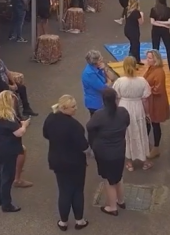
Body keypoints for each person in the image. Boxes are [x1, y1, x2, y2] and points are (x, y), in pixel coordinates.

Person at [43, 95, 91, 231]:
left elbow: (45, 134)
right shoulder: (74, 126)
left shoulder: (50, 118)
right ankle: (79, 220)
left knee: (64, 191)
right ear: (64, 108)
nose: (76, 109)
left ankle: (63, 222)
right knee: (77, 191)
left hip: (57, 160)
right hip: (75, 163)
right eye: (73, 107)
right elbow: (84, 146)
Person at [87, 88, 129, 216]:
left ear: (103, 100)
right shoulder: (123, 112)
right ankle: (121, 200)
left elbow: (89, 127)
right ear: (116, 98)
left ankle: (112, 207)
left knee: (108, 179)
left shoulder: (99, 115)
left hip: (104, 152)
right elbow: (127, 123)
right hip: (120, 149)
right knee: (118, 176)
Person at [0, 90, 31, 212]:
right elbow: (19, 133)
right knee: (8, 177)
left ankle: (0, 198)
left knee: (0, 174)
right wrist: (25, 125)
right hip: (8, 150)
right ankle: (7, 204)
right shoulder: (8, 119)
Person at [112, 56, 152, 171]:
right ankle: (144, 161)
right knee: (140, 132)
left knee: (126, 134)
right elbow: (145, 99)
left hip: (124, 107)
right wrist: (147, 113)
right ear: (136, 66)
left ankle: (129, 162)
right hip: (137, 107)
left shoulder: (119, 81)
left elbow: (115, 97)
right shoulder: (142, 81)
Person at [0, 51, 38, 117]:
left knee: (22, 88)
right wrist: (10, 87)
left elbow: (7, 72)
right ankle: (17, 116)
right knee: (13, 97)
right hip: (1, 86)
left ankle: (26, 109)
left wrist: (14, 83)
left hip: (7, 82)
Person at [143, 50, 170, 159]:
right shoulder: (151, 69)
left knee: (154, 123)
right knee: (149, 123)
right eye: (147, 58)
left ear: (156, 59)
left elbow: (158, 89)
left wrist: (146, 89)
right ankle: (147, 144)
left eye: (149, 58)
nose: (147, 60)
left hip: (156, 102)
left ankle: (156, 147)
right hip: (151, 100)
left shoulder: (159, 71)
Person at [149, 0, 170, 71]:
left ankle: (155, 65)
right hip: (165, 31)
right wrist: (164, 25)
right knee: (169, 48)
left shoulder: (153, 9)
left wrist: (158, 22)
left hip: (155, 30)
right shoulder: (168, 10)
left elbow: (152, 22)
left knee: (155, 48)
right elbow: (169, 22)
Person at [81, 50, 109, 116]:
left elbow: (112, 77)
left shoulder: (96, 67)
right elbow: (103, 88)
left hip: (100, 101)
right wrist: (109, 81)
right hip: (95, 104)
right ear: (96, 61)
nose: (102, 58)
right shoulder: (89, 74)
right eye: (100, 58)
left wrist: (105, 69)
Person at [123, 0, 143, 65]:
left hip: (127, 29)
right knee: (135, 46)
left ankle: (137, 60)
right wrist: (141, 15)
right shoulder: (136, 12)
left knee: (135, 44)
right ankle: (131, 62)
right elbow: (141, 22)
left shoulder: (126, 9)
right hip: (134, 31)